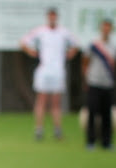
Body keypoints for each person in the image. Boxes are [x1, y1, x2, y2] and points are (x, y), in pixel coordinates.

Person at [20, 7, 79, 141]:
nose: (52, 18)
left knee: (56, 102)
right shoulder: (40, 31)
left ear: (56, 17)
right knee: (41, 100)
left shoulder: (64, 32)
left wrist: (71, 53)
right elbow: (23, 42)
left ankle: (57, 129)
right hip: (44, 70)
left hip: (58, 71)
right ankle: (39, 129)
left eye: (54, 16)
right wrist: (31, 52)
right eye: (50, 16)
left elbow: (76, 44)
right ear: (48, 17)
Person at [82, 18, 116, 150]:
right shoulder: (94, 44)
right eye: (104, 27)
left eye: (109, 27)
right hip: (94, 82)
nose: (106, 29)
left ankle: (106, 142)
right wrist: (86, 78)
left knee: (107, 114)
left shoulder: (114, 47)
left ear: (111, 29)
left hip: (107, 84)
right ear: (101, 28)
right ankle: (90, 141)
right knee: (92, 112)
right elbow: (85, 61)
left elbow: (113, 65)